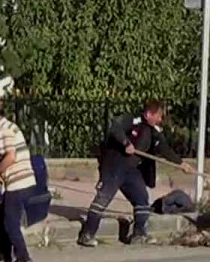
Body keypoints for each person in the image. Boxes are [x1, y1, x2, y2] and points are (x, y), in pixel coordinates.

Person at [78, 100, 192, 247]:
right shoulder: (132, 120)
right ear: (149, 114)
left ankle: (139, 235)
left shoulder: (154, 132)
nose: (160, 119)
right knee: (103, 198)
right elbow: (115, 128)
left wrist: (181, 164)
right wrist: (126, 143)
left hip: (131, 170)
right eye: (159, 116)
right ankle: (87, 234)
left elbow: (165, 149)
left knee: (142, 199)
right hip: (115, 165)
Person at [0, 100, 37, 262]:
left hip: (18, 182)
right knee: (4, 217)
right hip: (21, 180)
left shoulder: (4, 130)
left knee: (10, 222)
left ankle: (24, 258)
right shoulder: (10, 127)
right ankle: (5, 255)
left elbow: (10, 157)